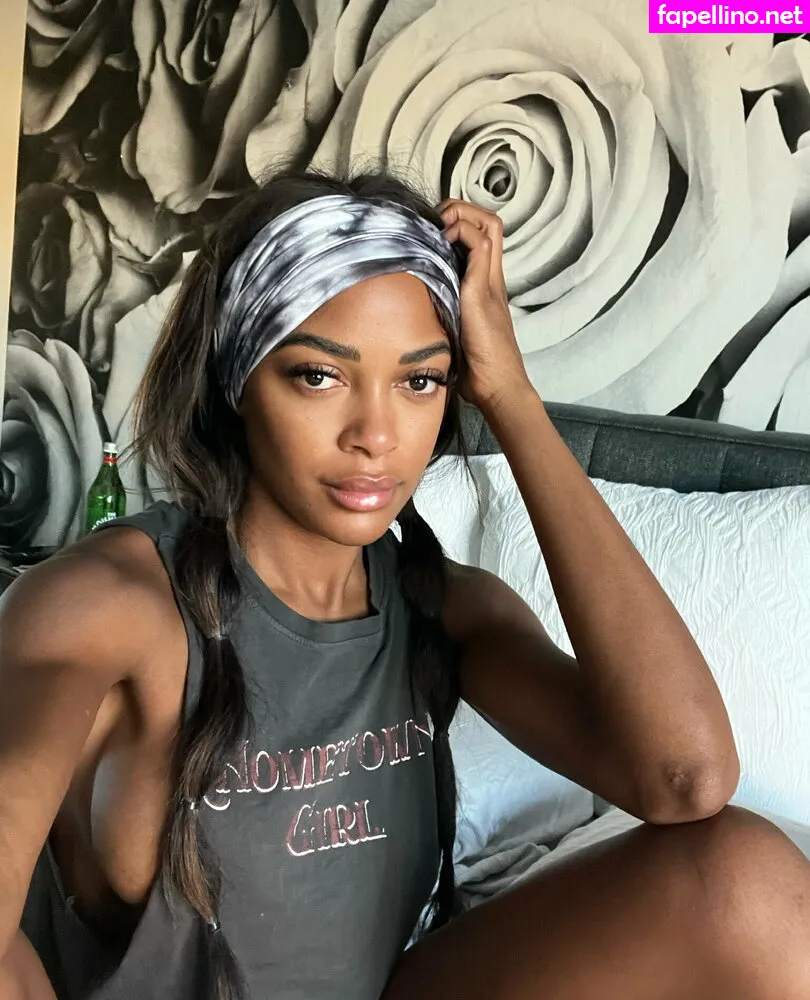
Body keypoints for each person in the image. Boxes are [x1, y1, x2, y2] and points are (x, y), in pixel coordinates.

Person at [0, 169, 809, 1000]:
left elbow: (686, 778)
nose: (377, 436)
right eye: (319, 375)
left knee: (747, 878)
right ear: (238, 379)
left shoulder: (443, 609)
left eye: (419, 381)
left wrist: (512, 395)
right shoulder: (104, 605)